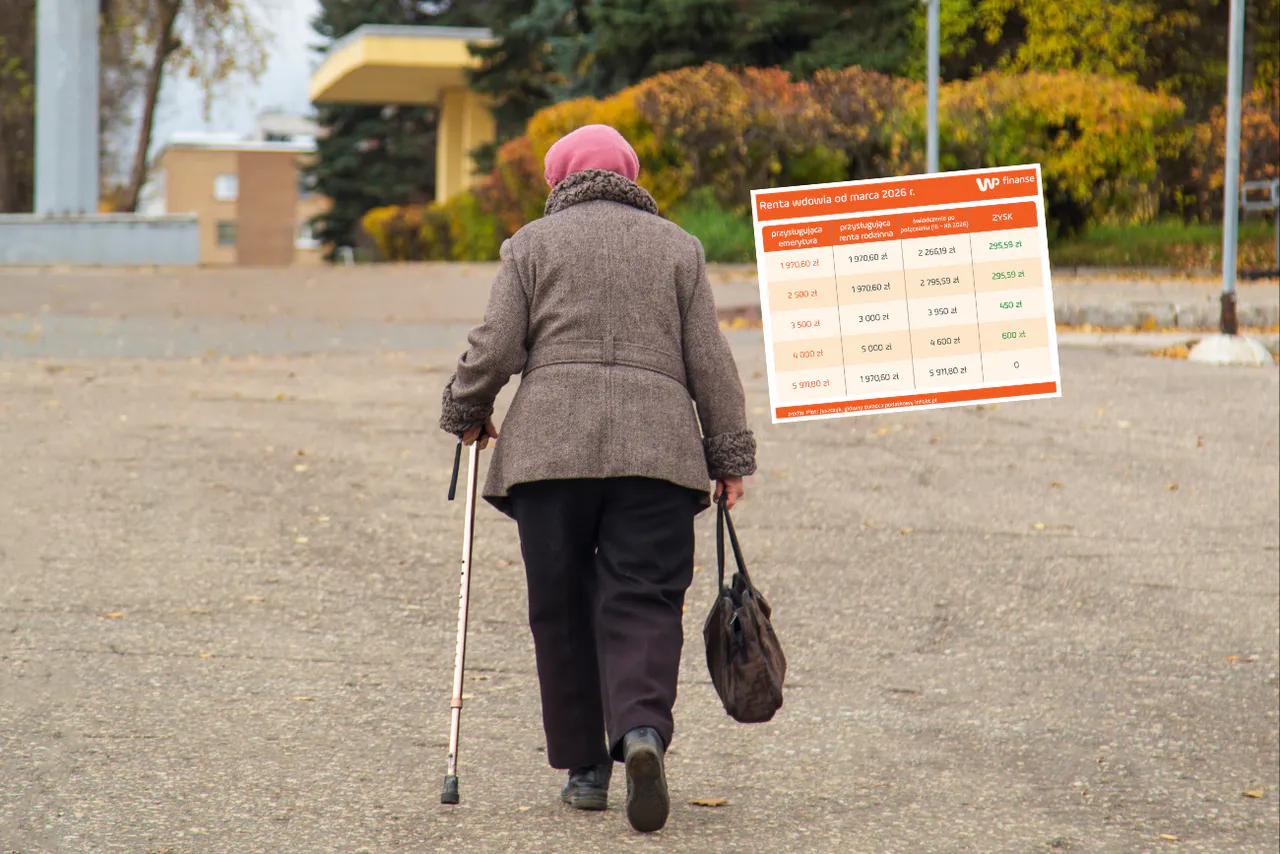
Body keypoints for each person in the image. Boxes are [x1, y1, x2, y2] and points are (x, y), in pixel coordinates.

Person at [438, 123, 757, 833]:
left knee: (560, 603)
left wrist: (467, 408)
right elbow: (711, 362)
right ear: (630, 175)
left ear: (559, 180)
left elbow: (495, 344)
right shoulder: (679, 247)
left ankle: (586, 771)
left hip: (550, 453)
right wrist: (729, 456)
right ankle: (641, 731)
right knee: (643, 597)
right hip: (659, 452)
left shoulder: (530, 245)